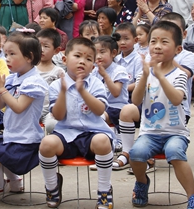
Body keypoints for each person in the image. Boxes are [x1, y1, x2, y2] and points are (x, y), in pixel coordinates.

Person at [121, 21, 194, 208]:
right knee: (136, 153)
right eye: (153, 41)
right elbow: (136, 100)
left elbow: (176, 99)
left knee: (174, 151)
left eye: (164, 42)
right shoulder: (146, 72)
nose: (157, 46)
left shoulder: (180, 74)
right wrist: (145, 74)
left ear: (178, 49)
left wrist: (160, 76)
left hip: (176, 132)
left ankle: (193, 196)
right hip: (149, 132)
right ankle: (142, 183)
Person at [39, 37, 115, 209]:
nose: (82, 61)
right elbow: (58, 115)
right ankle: (52, 188)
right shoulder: (57, 85)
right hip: (66, 134)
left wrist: (82, 91)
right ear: (65, 59)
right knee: (46, 143)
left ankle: (104, 191)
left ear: (93, 65)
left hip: (93, 134)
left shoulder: (96, 83)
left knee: (103, 141)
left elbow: (99, 110)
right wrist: (64, 92)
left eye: (88, 59)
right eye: (78, 56)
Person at [0, 32, 48, 198]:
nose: (6, 58)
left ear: (29, 57)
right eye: (5, 54)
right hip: (12, 135)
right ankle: (15, 182)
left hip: (26, 140)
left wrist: (1, 89)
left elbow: (18, 107)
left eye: (12, 54)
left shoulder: (33, 81)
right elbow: (0, 105)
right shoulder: (12, 78)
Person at [93, 35, 129, 150]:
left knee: (100, 117)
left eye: (102, 52)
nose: (98, 56)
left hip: (117, 107)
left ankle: (114, 139)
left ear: (113, 53)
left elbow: (116, 92)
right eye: (95, 52)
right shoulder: (94, 71)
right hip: (100, 107)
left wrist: (105, 75)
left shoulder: (119, 70)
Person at [36, 28, 65, 134]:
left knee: (52, 124)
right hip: (30, 108)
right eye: (39, 45)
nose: (41, 49)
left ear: (56, 50)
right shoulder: (29, 68)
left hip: (49, 110)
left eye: (46, 46)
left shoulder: (58, 72)